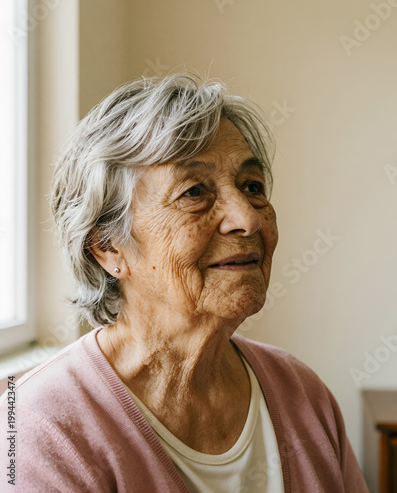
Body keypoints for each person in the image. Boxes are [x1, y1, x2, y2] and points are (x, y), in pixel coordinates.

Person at [0, 74, 369, 492]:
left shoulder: (302, 394)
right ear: (109, 248)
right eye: (195, 192)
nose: (247, 218)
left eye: (252, 187)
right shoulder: (40, 429)